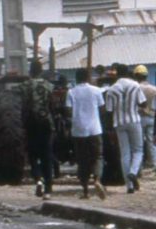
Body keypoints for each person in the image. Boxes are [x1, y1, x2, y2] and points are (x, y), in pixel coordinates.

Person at [106, 63, 146, 193]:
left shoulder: (112, 89)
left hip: (119, 123)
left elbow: (109, 111)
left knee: (125, 153)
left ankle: (129, 186)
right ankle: (133, 172)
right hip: (134, 120)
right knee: (138, 150)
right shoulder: (135, 85)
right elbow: (143, 103)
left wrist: (109, 129)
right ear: (128, 72)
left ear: (116, 73)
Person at [66, 68, 106, 200]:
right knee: (98, 157)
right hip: (95, 129)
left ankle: (85, 191)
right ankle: (97, 179)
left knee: (82, 161)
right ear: (88, 78)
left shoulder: (71, 92)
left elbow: (68, 111)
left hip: (78, 130)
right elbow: (102, 108)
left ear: (76, 78)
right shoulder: (96, 90)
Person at [20, 60, 56, 199]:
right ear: (41, 71)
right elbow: (52, 106)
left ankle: (38, 178)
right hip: (46, 123)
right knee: (47, 155)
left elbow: (23, 106)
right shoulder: (49, 86)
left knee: (33, 155)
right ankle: (48, 190)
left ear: (30, 71)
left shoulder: (25, 86)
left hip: (31, 123)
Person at [135, 65, 156, 168]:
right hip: (151, 117)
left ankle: (140, 164)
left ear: (136, 76)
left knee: (139, 142)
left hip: (139, 117)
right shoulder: (154, 89)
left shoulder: (136, 88)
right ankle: (153, 162)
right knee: (150, 140)